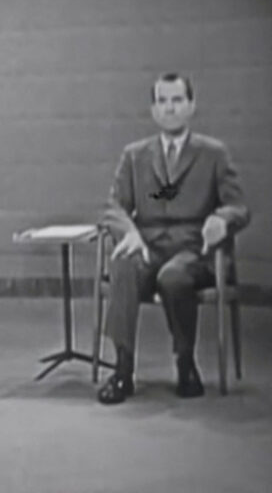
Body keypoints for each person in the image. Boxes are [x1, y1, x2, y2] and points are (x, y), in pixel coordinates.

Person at [98, 72, 250, 404]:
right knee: (122, 262)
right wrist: (131, 233)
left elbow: (239, 206)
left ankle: (185, 363)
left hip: (194, 249)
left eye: (177, 100)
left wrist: (221, 220)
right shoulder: (134, 155)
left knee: (173, 277)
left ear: (191, 106)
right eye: (163, 101)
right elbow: (114, 207)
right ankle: (123, 371)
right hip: (148, 245)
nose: (170, 109)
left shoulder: (213, 153)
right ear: (153, 110)